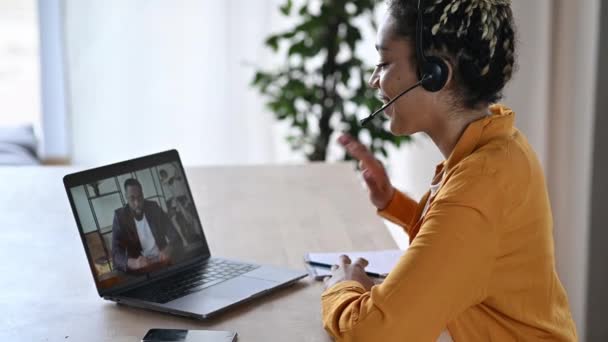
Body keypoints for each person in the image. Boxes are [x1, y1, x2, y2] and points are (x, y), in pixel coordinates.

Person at [321, 0, 577, 341]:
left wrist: (343, 287)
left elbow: (374, 334)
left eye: (384, 62)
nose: (374, 80)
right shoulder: (499, 145)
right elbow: (461, 244)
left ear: (434, 74)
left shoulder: (481, 184)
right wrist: (393, 201)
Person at [111, 178, 183, 273]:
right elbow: (116, 254)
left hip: (163, 263)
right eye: (132, 198)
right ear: (126, 197)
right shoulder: (120, 217)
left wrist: (168, 249)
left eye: (140, 197)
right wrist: (134, 263)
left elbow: (175, 236)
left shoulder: (154, 208)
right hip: (140, 270)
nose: (137, 203)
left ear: (143, 194)